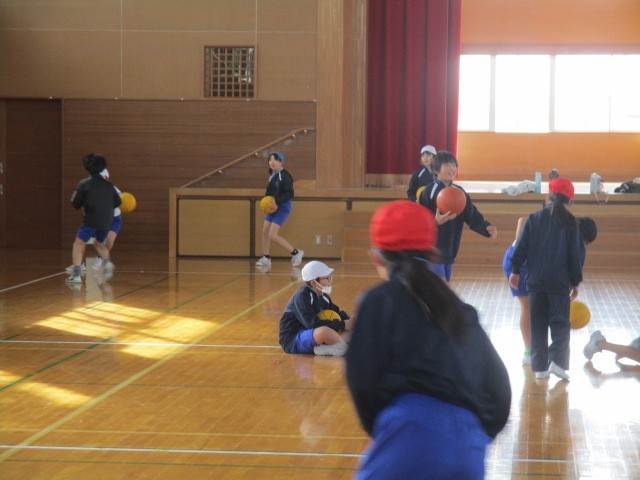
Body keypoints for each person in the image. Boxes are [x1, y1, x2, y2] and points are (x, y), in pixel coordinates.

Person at [346, 200, 511, 479]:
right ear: (433, 253)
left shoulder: (378, 301)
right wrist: (470, 438)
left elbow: (363, 383)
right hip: (469, 449)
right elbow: (499, 390)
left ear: (376, 257)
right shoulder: (460, 310)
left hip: (408, 438)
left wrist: (391, 431)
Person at [509, 177, 583, 381]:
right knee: (560, 323)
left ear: (548, 197)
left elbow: (520, 246)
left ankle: (540, 368)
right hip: (559, 282)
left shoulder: (534, 218)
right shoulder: (571, 223)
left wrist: (515, 270)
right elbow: (574, 256)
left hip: (535, 281)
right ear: (570, 201)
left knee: (538, 323)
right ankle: (557, 362)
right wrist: (575, 282)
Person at [503, 215, 598, 367]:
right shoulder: (556, 224)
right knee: (527, 306)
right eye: (584, 242)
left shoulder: (569, 241)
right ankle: (529, 352)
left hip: (537, 268)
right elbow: (522, 220)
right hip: (520, 265)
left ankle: (538, 350)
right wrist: (521, 250)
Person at [418, 150, 498, 281]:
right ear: (436, 169)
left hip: (451, 249)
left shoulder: (459, 192)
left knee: (445, 284)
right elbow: (419, 219)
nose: (452, 168)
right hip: (432, 251)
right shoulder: (428, 192)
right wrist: (434, 222)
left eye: (454, 165)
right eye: (447, 165)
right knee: (438, 285)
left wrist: (485, 227)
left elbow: (471, 214)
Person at [66, 154, 121, 284]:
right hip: (107, 220)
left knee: (79, 243)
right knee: (98, 243)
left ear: (87, 168)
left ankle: (76, 276)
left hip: (91, 219)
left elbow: (75, 204)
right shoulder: (109, 186)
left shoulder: (84, 184)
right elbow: (118, 202)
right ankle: (107, 263)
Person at [279, 260, 352, 356]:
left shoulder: (323, 296)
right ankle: (342, 347)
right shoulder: (301, 296)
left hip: (312, 334)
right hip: (293, 339)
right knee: (324, 331)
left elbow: (337, 312)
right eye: (327, 278)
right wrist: (343, 324)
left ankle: (336, 346)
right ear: (314, 283)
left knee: (350, 331)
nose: (330, 281)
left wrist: (351, 321)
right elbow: (312, 325)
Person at [255, 151, 304, 268]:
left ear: (281, 162)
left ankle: (296, 253)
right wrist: (266, 204)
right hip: (272, 206)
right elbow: (269, 194)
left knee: (272, 235)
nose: (272, 162)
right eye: (270, 159)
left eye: (275, 159)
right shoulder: (272, 175)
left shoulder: (285, 175)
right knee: (265, 231)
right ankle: (266, 258)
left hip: (282, 207)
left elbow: (289, 193)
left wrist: (277, 202)